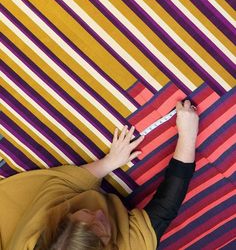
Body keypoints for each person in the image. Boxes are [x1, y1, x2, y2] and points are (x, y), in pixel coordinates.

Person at [0, 100, 199, 250]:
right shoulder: (130, 246)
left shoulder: (45, 219)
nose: (99, 213)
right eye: (101, 227)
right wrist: (188, 135)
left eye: (85, 213)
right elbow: (165, 206)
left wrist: (109, 162)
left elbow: (66, 182)